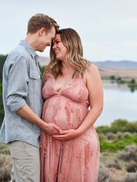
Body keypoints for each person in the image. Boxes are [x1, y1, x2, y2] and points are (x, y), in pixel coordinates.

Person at [0, 13, 61, 182]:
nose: (50, 44)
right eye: (50, 38)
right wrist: (43, 125)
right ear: (41, 31)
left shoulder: (29, 58)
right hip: (23, 135)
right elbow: (15, 101)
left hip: (28, 136)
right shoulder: (21, 57)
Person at [40, 28, 103, 182]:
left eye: (58, 42)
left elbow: (97, 107)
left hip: (79, 139)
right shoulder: (49, 71)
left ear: (71, 42)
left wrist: (77, 131)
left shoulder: (89, 70)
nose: (53, 46)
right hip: (50, 140)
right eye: (53, 42)